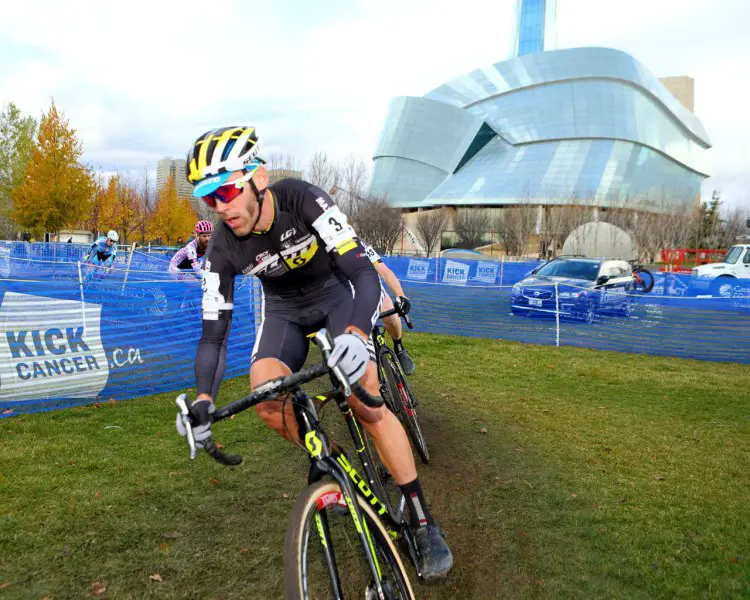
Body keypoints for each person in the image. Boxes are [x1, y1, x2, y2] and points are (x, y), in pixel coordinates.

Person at [176, 126, 452, 580]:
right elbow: (213, 334)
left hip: (335, 293)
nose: (221, 206)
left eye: (226, 190)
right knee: (266, 398)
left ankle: (421, 519)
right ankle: (333, 462)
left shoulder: (304, 199)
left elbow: (363, 273)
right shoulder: (221, 248)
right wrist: (203, 399)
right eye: (209, 199)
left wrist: (356, 332)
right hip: (283, 311)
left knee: (366, 396)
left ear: (258, 178)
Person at [360, 240, 416, 374]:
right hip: (348, 295)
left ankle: (399, 348)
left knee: (392, 317)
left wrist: (400, 295)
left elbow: (384, 271)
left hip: (372, 288)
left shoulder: (360, 245)